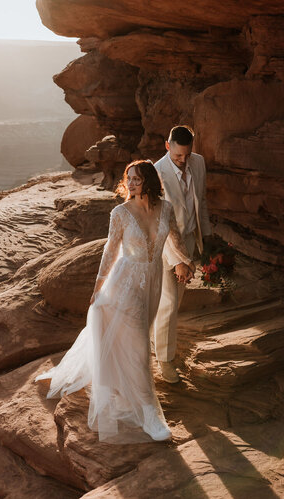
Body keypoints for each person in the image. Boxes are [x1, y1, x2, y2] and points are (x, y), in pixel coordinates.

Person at [36, 160, 194, 444]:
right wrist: (98, 288)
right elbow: (111, 250)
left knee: (136, 340)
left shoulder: (166, 209)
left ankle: (105, 382)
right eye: (128, 179)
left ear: (149, 181)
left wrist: (184, 262)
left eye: (136, 179)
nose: (130, 183)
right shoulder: (120, 213)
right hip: (124, 283)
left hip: (153, 281)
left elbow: (175, 239)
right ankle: (149, 414)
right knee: (139, 347)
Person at [153, 126, 212, 384]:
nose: (184, 160)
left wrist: (207, 240)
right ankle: (165, 362)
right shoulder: (156, 172)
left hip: (189, 239)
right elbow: (160, 223)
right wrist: (178, 260)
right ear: (168, 146)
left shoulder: (198, 163)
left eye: (187, 155)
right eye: (178, 156)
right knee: (167, 303)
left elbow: (203, 201)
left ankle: (159, 343)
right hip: (164, 244)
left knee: (174, 303)